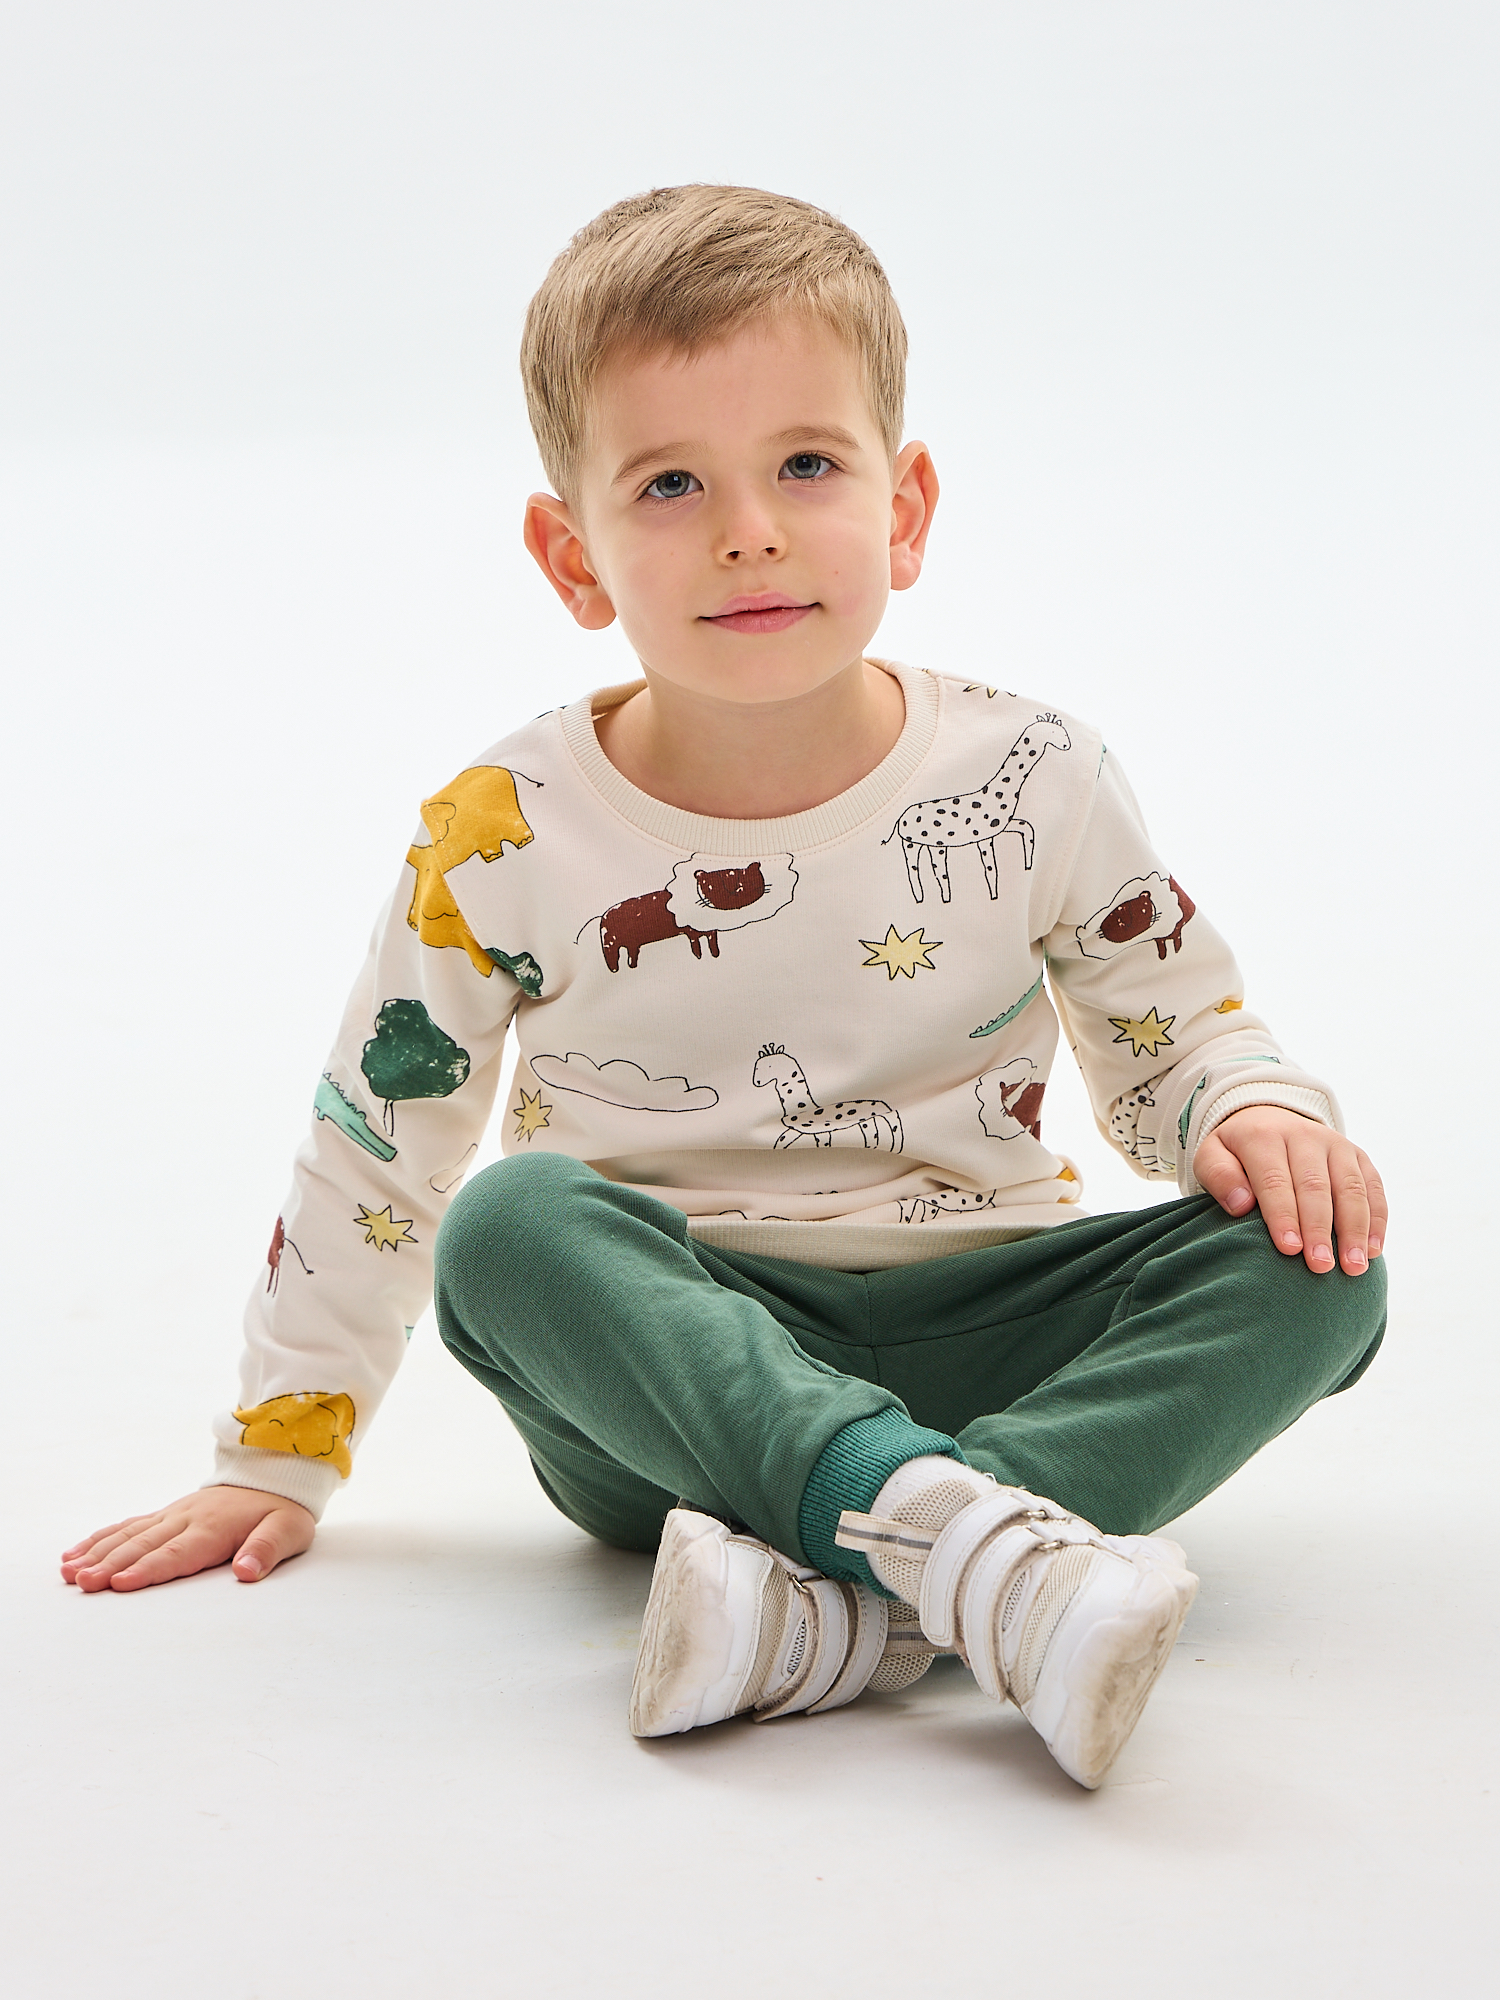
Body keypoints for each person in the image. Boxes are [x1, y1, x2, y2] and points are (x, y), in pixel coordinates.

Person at [61, 185, 1387, 1788]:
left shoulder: (1034, 774)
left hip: (990, 1323)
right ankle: (982, 1556)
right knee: (509, 1224)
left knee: (1324, 1265)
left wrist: (1248, 1111)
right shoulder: (504, 827)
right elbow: (378, 1139)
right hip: (671, 1387)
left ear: (904, 508)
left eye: (806, 466)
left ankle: (867, 1593)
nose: (748, 529)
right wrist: (277, 1455)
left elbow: (1174, 1032)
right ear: (574, 556)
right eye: (672, 483)